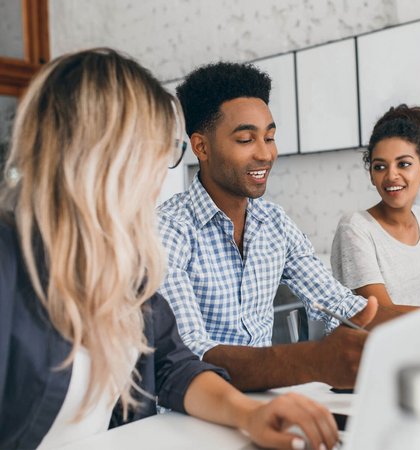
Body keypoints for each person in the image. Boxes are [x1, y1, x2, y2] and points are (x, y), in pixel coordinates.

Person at [0, 49, 339, 450]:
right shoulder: (10, 263)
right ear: (97, 155)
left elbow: (173, 366)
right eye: (154, 153)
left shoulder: (124, 263)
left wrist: (248, 414)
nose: (160, 174)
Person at [159, 62, 420, 392]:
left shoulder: (275, 224)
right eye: (245, 139)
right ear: (201, 147)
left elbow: (342, 305)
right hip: (187, 416)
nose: (265, 154)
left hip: (262, 403)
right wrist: (312, 362)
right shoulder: (169, 231)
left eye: (269, 137)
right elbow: (190, 353)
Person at [330, 105, 420, 306]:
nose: (391, 175)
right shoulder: (355, 227)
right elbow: (382, 313)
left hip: (416, 335)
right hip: (371, 337)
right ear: (372, 176)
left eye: (404, 164)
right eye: (380, 167)